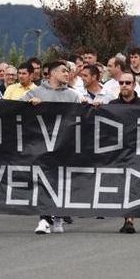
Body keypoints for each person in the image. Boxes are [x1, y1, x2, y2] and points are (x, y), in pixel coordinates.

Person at [23, 60, 86, 234]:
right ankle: (44, 219)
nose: (67, 74)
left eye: (68, 71)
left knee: (60, 182)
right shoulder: (34, 93)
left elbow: (84, 114)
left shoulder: (72, 95)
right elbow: (15, 113)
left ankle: (57, 217)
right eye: (63, 71)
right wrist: (28, 106)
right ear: (51, 73)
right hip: (41, 146)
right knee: (44, 181)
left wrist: (91, 106)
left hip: (64, 145)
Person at [109, 70, 140, 234]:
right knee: (122, 185)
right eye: (121, 83)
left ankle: (129, 219)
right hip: (118, 152)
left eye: (128, 83)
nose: (124, 86)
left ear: (134, 85)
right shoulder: (111, 106)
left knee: (134, 184)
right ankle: (128, 217)